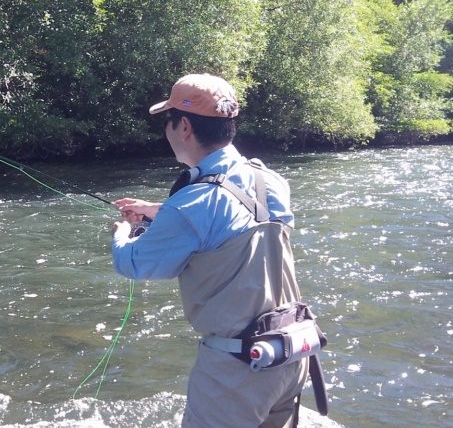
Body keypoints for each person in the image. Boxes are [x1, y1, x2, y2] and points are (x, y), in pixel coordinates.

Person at [111, 73, 308, 427]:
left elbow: (135, 263)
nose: (167, 131)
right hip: (291, 354)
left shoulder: (194, 202)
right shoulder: (268, 178)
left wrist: (123, 231)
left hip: (238, 371)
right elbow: (239, 221)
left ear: (184, 126)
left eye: (167, 121)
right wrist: (161, 211)